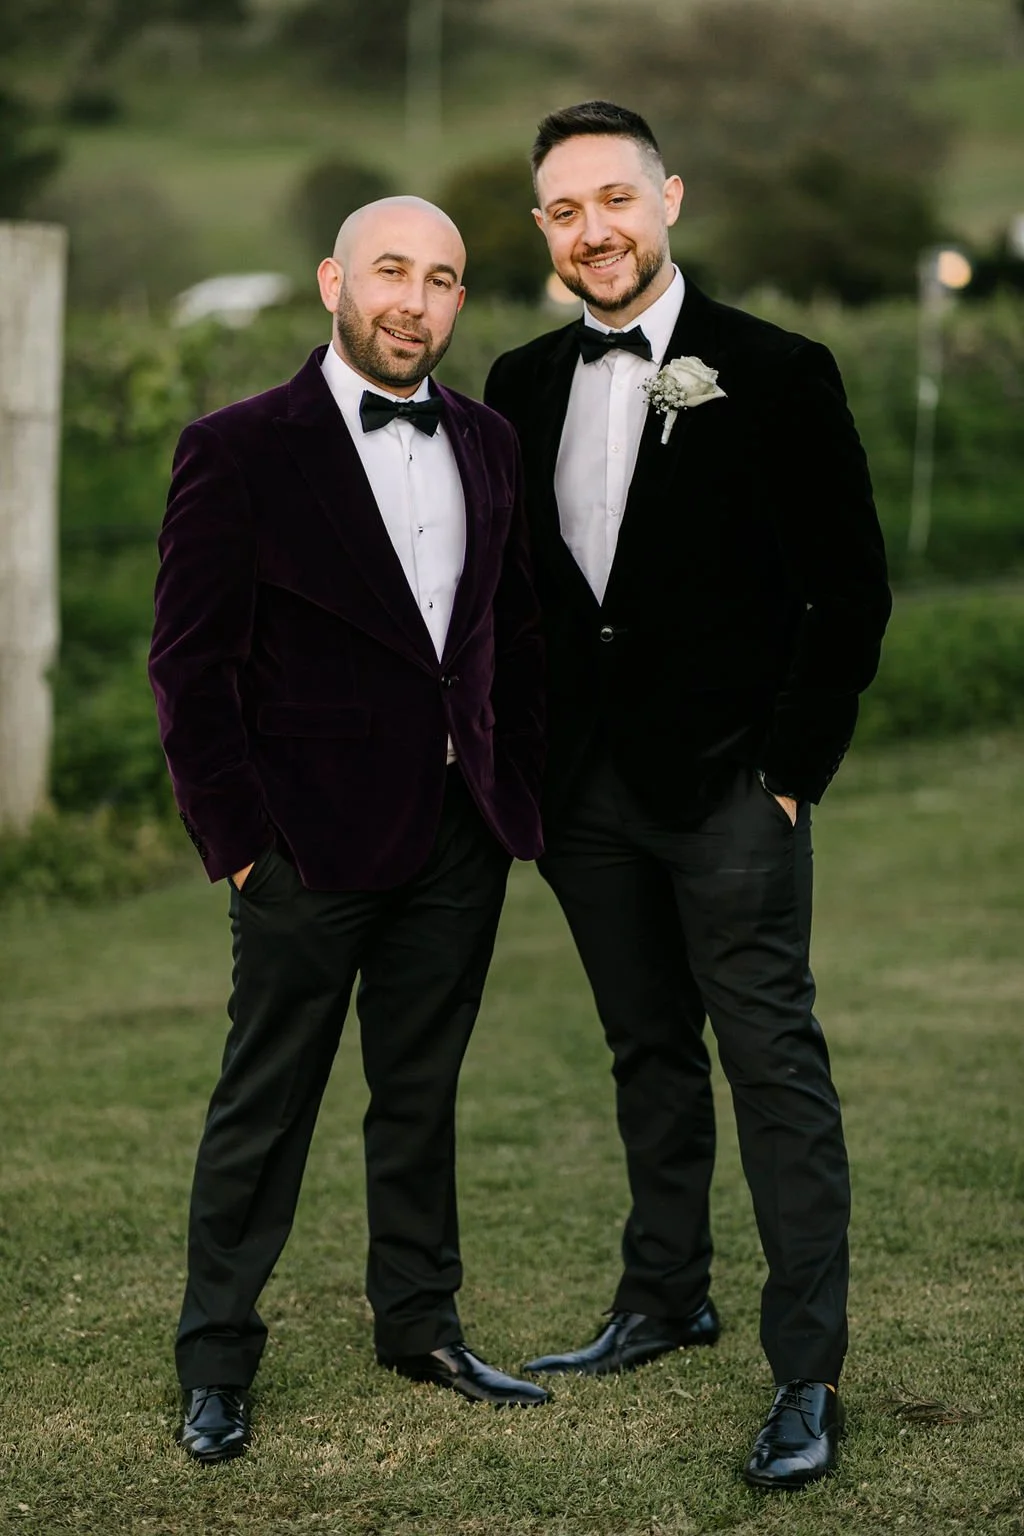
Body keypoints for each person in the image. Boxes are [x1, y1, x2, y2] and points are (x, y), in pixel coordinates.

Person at [485, 102, 892, 1490]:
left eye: (615, 197)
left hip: (730, 789)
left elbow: (848, 589)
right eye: (564, 210)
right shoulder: (518, 380)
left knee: (771, 1062)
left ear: (669, 198)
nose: (592, 228)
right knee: (645, 1050)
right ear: (542, 231)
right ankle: (664, 1297)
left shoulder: (776, 369)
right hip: (584, 798)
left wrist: (788, 772)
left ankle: (806, 1372)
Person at [149, 196, 549, 1464]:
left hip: (457, 835)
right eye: (389, 271)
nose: (411, 302)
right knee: (265, 1104)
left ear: (458, 301)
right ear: (334, 281)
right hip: (302, 850)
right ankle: (217, 1358)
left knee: (419, 1095)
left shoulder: (488, 439)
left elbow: (510, 631)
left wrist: (510, 785)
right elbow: (189, 666)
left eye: (439, 280)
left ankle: (420, 1325)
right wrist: (240, 844)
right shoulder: (236, 447)